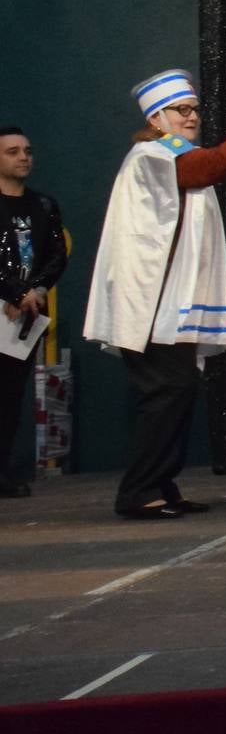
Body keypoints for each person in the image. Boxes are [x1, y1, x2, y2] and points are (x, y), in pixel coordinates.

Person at [82, 72, 226, 518]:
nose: (193, 117)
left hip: (166, 302)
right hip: (150, 303)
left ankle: (160, 484)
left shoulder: (171, 158)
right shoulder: (152, 155)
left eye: (195, 109)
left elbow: (192, 230)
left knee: (177, 391)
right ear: (157, 117)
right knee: (168, 390)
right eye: (183, 110)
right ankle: (139, 491)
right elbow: (219, 164)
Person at [1, 126, 67, 498]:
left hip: (23, 315)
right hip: (6, 303)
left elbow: (57, 253)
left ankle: (3, 469)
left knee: (11, 395)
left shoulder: (43, 205)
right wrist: (13, 290)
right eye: (12, 152)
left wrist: (36, 289)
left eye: (27, 150)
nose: (23, 157)